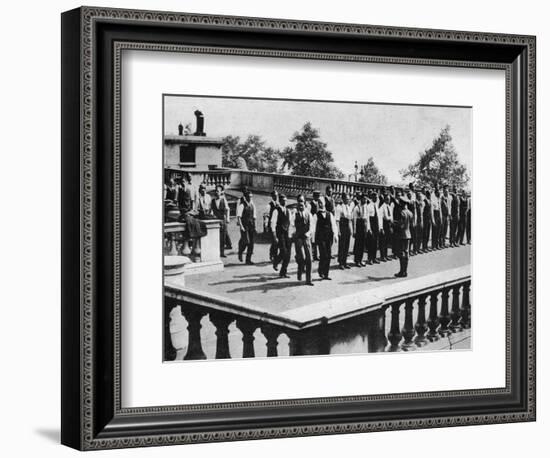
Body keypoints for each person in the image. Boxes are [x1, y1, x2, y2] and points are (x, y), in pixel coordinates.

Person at [312, 199, 338, 280]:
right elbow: (313, 228)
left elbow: (334, 225)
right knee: (323, 255)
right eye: (319, 203)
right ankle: (321, 271)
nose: (320, 204)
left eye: (322, 203)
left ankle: (326, 274)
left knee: (328, 255)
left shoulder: (329, 214)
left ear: (324, 203)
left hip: (329, 237)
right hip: (321, 238)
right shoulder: (316, 215)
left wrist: (335, 235)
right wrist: (313, 239)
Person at [292, 195, 314, 286]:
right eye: (299, 202)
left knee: (309, 259)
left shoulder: (309, 214)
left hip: (306, 238)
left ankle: (309, 279)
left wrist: (308, 234)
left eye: (302, 202)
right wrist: (293, 234)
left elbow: (312, 227)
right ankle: (300, 269)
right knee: (301, 258)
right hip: (298, 238)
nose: (300, 204)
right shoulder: (294, 213)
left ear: (305, 203)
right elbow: (292, 225)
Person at [271, 194, 292, 278]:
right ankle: (276, 261)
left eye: (286, 200)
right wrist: (274, 236)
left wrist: (290, 234)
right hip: (280, 233)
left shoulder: (288, 211)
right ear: (280, 201)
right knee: (283, 251)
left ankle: (283, 271)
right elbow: (273, 223)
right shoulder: (276, 210)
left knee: (288, 253)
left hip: (287, 233)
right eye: (283, 200)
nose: (285, 202)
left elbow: (290, 223)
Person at [394, 195, 414, 278]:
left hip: (402, 235)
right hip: (408, 234)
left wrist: (394, 223)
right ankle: (405, 271)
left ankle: (402, 271)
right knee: (406, 253)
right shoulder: (410, 213)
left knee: (401, 253)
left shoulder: (402, 212)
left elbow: (401, 225)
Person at [236, 189, 256, 265]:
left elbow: (254, 216)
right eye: (248, 197)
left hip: (251, 225)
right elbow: (239, 217)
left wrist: (255, 225)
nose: (250, 198)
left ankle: (248, 260)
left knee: (251, 243)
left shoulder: (252, 205)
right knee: (246, 241)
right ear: (245, 197)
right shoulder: (242, 205)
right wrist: (241, 226)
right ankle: (240, 252)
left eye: (251, 197)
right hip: (244, 225)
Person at [335, 192, 354, 269]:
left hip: (347, 227)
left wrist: (351, 229)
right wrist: (338, 231)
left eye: (349, 199)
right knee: (342, 245)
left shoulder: (349, 207)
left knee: (346, 245)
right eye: (346, 199)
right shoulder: (339, 207)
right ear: (343, 199)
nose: (348, 200)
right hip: (342, 227)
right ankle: (340, 262)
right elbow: (337, 220)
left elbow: (350, 220)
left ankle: (345, 261)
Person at [211, 185, 230, 258]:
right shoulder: (213, 201)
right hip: (216, 220)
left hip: (222, 220)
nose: (216, 192)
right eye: (215, 191)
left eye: (218, 191)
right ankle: (216, 252)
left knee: (223, 237)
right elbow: (211, 210)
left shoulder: (223, 200)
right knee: (215, 237)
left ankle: (222, 252)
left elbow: (227, 209)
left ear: (221, 192)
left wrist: (228, 218)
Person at [352, 193, 370, 267]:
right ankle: (357, 260)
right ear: (361, 199)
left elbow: (367, 218)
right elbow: (354, 220)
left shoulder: (366, 207)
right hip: (359, 225)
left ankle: (360, 259)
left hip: (364, 225)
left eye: (366, 199)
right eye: (364, 199)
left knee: (362, 244)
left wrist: (368, 228)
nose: (365, 200)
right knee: (358, 244)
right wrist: (354, 230)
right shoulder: (357, 207)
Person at [309, 190, 324, 261]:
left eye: (318, 196)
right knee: (313, 239)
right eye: (316, 196)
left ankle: (316, 255)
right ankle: (312, 255)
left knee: (317, 239)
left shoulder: (320, 203)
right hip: (313, 223)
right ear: (314, 196)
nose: (317, 197)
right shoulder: (310, 204)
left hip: (318, 223)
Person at [366, 191, 380, 264]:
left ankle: (374, 258)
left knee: (375, 243)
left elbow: (378, 217)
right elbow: (368, 218)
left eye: (377, 197)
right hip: (371, 225)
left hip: (376, 225)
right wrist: (369, 228)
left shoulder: (376, 205)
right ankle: (370, 258)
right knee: (371, 243)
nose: (377, 198)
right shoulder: (369, 206)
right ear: (372, 197)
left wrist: (380, 227)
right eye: (375, 197)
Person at [266, 190, 279, 263]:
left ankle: (274, 255)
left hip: (278, 225)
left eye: (276, 195)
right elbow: (267, 216)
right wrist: (266, 225)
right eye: (274, 196)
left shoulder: (278, 204)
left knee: (277, 241)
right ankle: (272, 255)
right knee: (274, 241)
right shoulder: (269, 205)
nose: (276, 197)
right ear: (272, 196)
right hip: (272, 225)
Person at [379, 193, 393, 261]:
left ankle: (386, 255)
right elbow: (381, 218)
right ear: (384, 199)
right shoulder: (382, 207)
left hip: (388, 224)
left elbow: (391, 216)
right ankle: (382, 256)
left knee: (387, 241)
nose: (388, 200)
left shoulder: (389, 207)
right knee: (383, 241)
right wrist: (381, 228)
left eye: (389, 199)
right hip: (384, 224)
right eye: (387, 199)